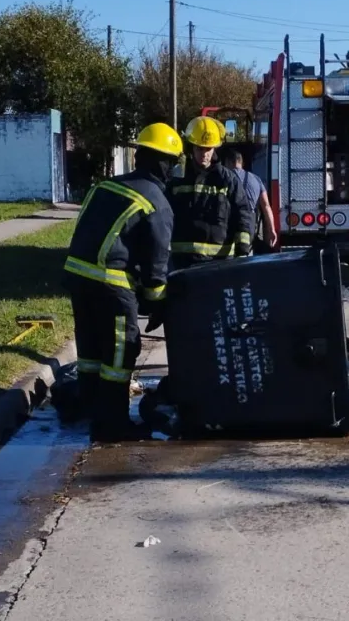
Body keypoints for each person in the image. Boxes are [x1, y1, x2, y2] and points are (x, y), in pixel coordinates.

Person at [62, 122, 182, 442]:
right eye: (173, 162)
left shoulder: (105, 185)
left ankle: (86, 406)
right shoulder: (157, 200)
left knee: (90, 348)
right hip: (110, 282)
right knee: (120, 352)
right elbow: (156, 262)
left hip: (76, 273)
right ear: (164, 163)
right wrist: (157, 301)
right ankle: (111, 424)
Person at [167, 116, 253, 270]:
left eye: (208, 149)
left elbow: (243, 214)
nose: (204, 154)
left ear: (214, 149)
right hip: (181, 262)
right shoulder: (177, 177)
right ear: (192, 147)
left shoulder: (228, 179)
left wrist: (243, 251)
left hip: (219, 263)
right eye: (200, 148)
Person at [223, 149, 277, 251]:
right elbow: (266, 206)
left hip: (228, 223)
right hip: (249, 225)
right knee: (246, 254)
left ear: (229, 162)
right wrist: (272, 229)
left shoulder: (224, 177)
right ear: (241, 162)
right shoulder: (256, 179)